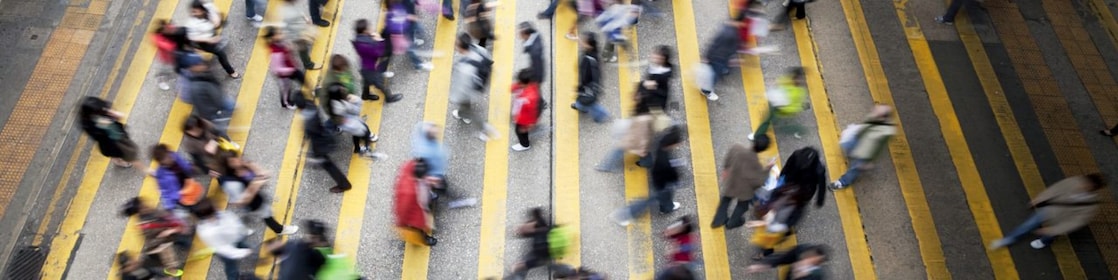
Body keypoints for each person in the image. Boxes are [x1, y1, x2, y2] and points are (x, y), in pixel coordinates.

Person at [989, 174, 1107, 249]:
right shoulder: (1073, 181)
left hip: (1061, 221)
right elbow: (1055, 190)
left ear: (1092, 189)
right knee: (1027, 225)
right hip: (1049, 210)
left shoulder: (1091, 206)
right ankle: (1009, 239)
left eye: (1086, 186)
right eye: (1084, 182)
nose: (1081, 185)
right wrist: (1039, 199)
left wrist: (1053, 230)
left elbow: (1075, 222)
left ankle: (1045, 241)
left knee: (1050, 234)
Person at [611, 125, 686, 226]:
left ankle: (667, 207)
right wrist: (677, 178)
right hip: (662, 182)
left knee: (663, 196)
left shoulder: (662, 143)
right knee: (650, 200)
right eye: (678, 142)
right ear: (673, 143)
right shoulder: (665, 160)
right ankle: (622, 215)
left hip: (658, 178)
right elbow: (670, 172)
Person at [215, 150, 299, 235]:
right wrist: (255, 185)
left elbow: (261, 174)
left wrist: (257, 172)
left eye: (236, 157)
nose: (238, 160)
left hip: (256, 195)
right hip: (253, 203)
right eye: (233, 161)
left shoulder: (241, 165)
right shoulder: (232, 183)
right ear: (228, 165)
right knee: (267, 215)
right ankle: (279, 230)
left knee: (265, 208)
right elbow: (241, 201)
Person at [711, 135, 772, 229]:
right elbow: (760, 182)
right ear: (763, 150)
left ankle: (718, 221)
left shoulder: (737, 148)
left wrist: (726, 169)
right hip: (745, 191)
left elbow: (728, 159)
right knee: (742, 206)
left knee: (725, 200)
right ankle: (732, 223)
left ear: (753, 141)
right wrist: (768, 168)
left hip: (731, 182)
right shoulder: (756, 165)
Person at [830, 105, 896, 190]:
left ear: (882, 117)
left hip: (865, 152)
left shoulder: (885, 132)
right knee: (846, 145)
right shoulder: (875, 117)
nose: (873, 111)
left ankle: (842, 182)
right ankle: (852, 155)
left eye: (877, 112)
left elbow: (877, 149)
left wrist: (869, 161)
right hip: (858, 139)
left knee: (855, 168)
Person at [297, 98, 354, 193]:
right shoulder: (311, 106)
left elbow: (314, 136)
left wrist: (315, 154)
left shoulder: (309, 123)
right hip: (325, 136)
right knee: (325, 163)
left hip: (322, 145)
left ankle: (344, 184)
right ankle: (343, 184)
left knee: (328, 165)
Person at [192, 199, 258, 280]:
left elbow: (233, 219)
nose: (217, 207)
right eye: (213, 207)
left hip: (236, 239)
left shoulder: (219, 214)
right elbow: (223, 249)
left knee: (246, 247)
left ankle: (253, 256)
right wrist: (242, 253)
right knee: (231, 266)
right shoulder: (207, 231)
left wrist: (242, 231)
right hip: (227, 250)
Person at [119, 197, 186, 278]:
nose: (144, 205)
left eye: (142, 204)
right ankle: (171, 269)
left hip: (167, 234)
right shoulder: (145, 224)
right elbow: (155, 240)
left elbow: (163, 217)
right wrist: (169, 231)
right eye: (141, 206)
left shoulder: (149, 212)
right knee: (166, 251)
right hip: (157, 244)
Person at [450, 33, 499, 141]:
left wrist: (454, 98)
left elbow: (462, 89)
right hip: (481, 82)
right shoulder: (478, 49)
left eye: (456, 44)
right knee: (465, 108)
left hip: (469, 92)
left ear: (461, 48)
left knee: (468, 109)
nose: (454, 45)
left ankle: (484, 130)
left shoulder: (464, 69)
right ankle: (463, 114)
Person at [505, 208, 574, 280]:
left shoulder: (540, 245)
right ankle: (569, 271)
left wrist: (522, 265)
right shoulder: (539, 223)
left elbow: (538, 261)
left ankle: (569, 272)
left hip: (546, 251)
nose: (520, 229)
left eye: (522, 230)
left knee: (547, 263)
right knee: (550, 263)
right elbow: (536, 212)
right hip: (550, 245)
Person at [79, 97, 141, 169]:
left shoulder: (101, 109)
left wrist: (112, 115)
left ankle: (117, 159)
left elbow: (117, 117)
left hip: (116, 133)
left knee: (119, 149)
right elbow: (99, 136)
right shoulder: (89, 125)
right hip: (110, 141)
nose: (103, 109)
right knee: (117, 152)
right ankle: (118, 161)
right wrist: (106, 123)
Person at [183, 0, 239, 78]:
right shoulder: (192, 23)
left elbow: (215, 15)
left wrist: (217, 19)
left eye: (196, 11)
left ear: (202, 9)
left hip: (211, 32)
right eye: (193, 11)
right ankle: (230, 71)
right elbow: (192, 37)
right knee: (221, 54)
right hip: (205, 41)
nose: (194, 14)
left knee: (223, 24)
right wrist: (208, 40)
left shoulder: (208, 7)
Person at [749, 67, 808, 140]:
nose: (796, 80)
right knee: (768, 120)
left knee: (773, 124)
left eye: (798, 79)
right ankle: (798, 130)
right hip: (776, 103)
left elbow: (794, 108)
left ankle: (799, 129)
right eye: (795, 78)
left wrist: (782, 107)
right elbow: (780, 82)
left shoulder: (799, 92)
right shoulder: (789, 80)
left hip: (781, 109)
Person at [353, 19, 402, 102]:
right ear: (364, 31)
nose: (370, 28)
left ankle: (365, 95)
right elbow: (379, 53)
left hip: (365, 66)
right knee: (380, 83)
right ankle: (389, 97)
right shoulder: (366, 44)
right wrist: (380, 41)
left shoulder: (359, 39)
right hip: (371, 68)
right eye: (368, 28)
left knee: (366, 81)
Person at [323, 83, 379, 156]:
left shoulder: (336, 102)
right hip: (348, 122)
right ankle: (364, 147)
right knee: (363, 130)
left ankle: (358, 147)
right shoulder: (338, 106)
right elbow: (355, 111)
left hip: (348, 119)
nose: (345, 90)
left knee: (357, 134)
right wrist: (354, 102)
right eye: (342, 91)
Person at [150, 144, 202, 218]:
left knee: (196, 196)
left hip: (187, 182)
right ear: (161, 161)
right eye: (166, 157)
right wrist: (169, 207)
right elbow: (165, 192)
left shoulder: (174, 155)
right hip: (181, 193)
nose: (169, 157)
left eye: (168, 154)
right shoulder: (161, 175)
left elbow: (183, 164)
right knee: (191, 206)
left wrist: (191, 168)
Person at [394, 159, 438, 246]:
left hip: (421, 199)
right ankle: (424, 238)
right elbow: (403, 209)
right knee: (420, 228)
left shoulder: (410, 168)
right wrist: (402, 223)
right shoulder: (408, 192)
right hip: (417, 211)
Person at [187, 62, 234, 138]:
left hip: (217, 102)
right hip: (213, 110)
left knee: (230, 105)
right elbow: (204, 104)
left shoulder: (203, 75)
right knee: (219, 126)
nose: (202, 66)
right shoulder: (197, 86)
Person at [698, 21, 742, 101]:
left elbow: (714, 44)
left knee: (714, 72)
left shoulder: (727, 31)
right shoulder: (729, 34)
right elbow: (716, 45)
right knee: (714, 76)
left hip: (720, 58)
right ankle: (706, 91)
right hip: (719, 58)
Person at [264, 27, 306, 109]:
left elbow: (288, 49)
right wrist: (290, 70)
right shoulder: (274, 53)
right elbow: (276, 70)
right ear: (273, 37)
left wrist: (292, 48)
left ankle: (311, 89)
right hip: (284, 75)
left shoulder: (281, 42)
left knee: (302, 78)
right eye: (279, 34)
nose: (282, 34)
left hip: (292, 68)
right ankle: (286, 104)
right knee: (286, 89)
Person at [386, 0, 435, 71]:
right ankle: (418, 65)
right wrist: (407, 17)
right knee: (411, 49)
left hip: (410, 23)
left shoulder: (397, 5)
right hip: (403, 33)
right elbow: (394, 26)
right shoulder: (393, 11)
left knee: (418, 30)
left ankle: (413, 40)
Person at [572, 33, 609, 123]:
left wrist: (580, 87)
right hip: (590, 86)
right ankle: (581, 106)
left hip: (589, 87)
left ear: (589, 45)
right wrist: (578, 40)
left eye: (584, 42)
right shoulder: (592, 53)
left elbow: (586, 77)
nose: (582, 43)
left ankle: (602, 115)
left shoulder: (589, 60)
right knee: (586, 102)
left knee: (590, 104)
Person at [747, 244, 829, 280]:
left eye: (813, 259)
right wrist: (764, 265)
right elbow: (783, 257)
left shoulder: (817, 276)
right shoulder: (802, 250)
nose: (808, 259)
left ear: (818, 262)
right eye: (810, 255)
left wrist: (799, 275)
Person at [280, 0, 321, 70]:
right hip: (298, 35)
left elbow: (298, 11)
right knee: (303, 49)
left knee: (304, 45)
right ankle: (308, 64)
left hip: (302, 30)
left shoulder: (292, 5)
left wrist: (305, 18)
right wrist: (292, 39)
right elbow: (287, 28)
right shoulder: (287, 14)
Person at [634, 45, 673, 115]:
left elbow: (660, 92)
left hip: (654, 104)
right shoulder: (656, 67)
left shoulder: (662, 75)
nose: (653, 55)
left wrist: (647, 86)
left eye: (657, 55)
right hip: (649, 99)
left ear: (662, 59)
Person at [411, 122, 449, 192]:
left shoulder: (422, 140)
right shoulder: (426, 151)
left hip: (434, 172)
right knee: (439, 186)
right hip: (433, 174)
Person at [511, 69, 542, 151]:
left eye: (520, 82)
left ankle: (525, 144)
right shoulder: (530, 85)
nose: (519, 84)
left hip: (524, 119)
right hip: (520, 114)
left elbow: (532, 112)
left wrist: (530, 124)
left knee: (520, 131)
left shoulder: (530, 98)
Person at [152, 20, 180, 91]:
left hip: (175, 56)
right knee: (166, 71)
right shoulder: (158, 38)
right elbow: (169, 47)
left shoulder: (170, 28)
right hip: (166, 59)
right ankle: (160, 80)